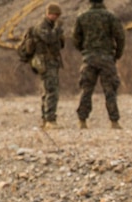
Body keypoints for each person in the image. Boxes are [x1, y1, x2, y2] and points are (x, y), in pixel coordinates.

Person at [72, 0, 126, 129]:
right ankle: (114, 122)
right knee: (110, 90)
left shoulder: (82, 17)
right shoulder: (110, 16)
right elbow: (120, 37)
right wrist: (117, 54)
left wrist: (84, 51)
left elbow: (75, 38)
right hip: (107, 58)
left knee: (86, 89)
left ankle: (82, 121)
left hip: (89, 58)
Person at [31, 2, 65, 130]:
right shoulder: (42, 26)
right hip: (45, 62)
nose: (56, 17)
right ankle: (50, 120)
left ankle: (46, 119)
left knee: (48, 90)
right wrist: (58, 29)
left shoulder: (51, 26)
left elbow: (60, 44)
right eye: (54, 14)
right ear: (48, 14)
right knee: (51, 91)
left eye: (57, 15)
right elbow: (49, 39)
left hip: (52, 62)